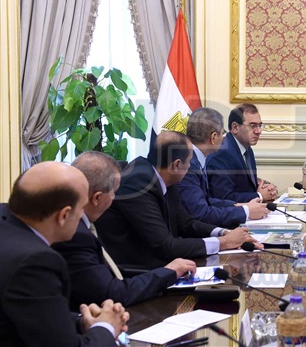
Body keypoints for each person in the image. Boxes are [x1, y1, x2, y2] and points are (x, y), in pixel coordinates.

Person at [0, 162, 129, 346]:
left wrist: (80, 321)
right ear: (64, 215)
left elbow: (28, 310)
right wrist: (106, 327)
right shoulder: (36, 262)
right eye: (81, 208)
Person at [95, 131, 263, 270]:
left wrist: (223, 233)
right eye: (189, 162)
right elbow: (166, 246)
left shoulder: (164, 176)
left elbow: (186, 223)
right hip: (137, 271)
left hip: (160, 263)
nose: (190, 166)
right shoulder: (139, 184)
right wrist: (224, 243)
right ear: (176, 165)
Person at [53, 151, 197, 309]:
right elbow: (113, 293)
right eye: (114, 192)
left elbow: (110, 273)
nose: (114, 198)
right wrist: (168, 272)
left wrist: (166, 272)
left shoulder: (81, 225)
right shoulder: (75, 235)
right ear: (97, 198)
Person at [177, 107, 270, 226]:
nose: (224, 137)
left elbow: (207, 201)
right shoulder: (188, 165)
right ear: (213, 137)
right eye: (223, 133)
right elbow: (200, 213)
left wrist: (240, 206)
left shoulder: (195, 158)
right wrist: (246, 212)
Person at [206, 103, 278, 203]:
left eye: (259, 125)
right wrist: (260, 196)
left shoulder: (247, 149)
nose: (258, 131)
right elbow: (223, 197)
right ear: (235, 127)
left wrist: (267, 189)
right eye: (252, 126)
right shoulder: (222, 153)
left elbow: (244, 186)